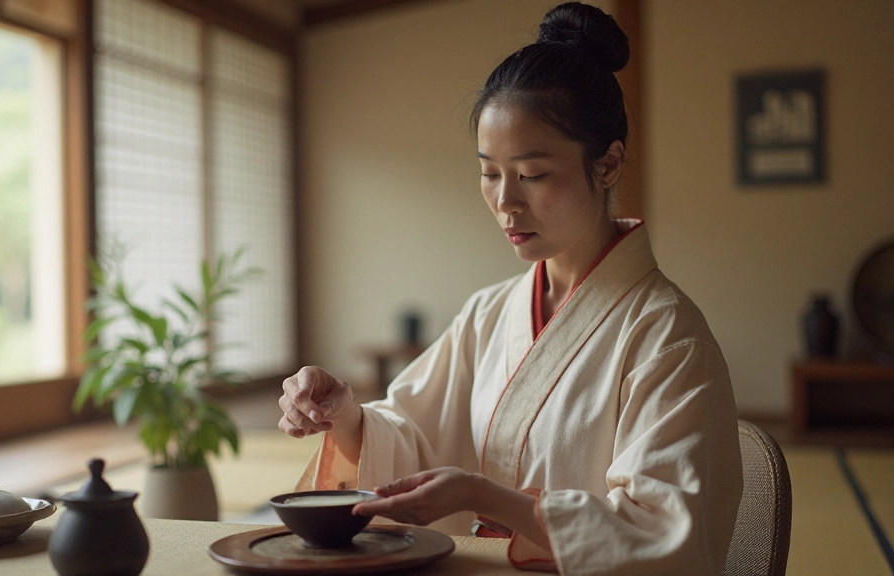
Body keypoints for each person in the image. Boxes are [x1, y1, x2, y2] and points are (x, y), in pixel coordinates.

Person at [277, 3, 743, 573]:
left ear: (609, 164)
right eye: (489, 173)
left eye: (532, 174)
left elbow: (667, 538)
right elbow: (415, 438)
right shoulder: (490, 313)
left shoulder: (668, 337)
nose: (505, 203)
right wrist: (346, 416)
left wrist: (483, 496)